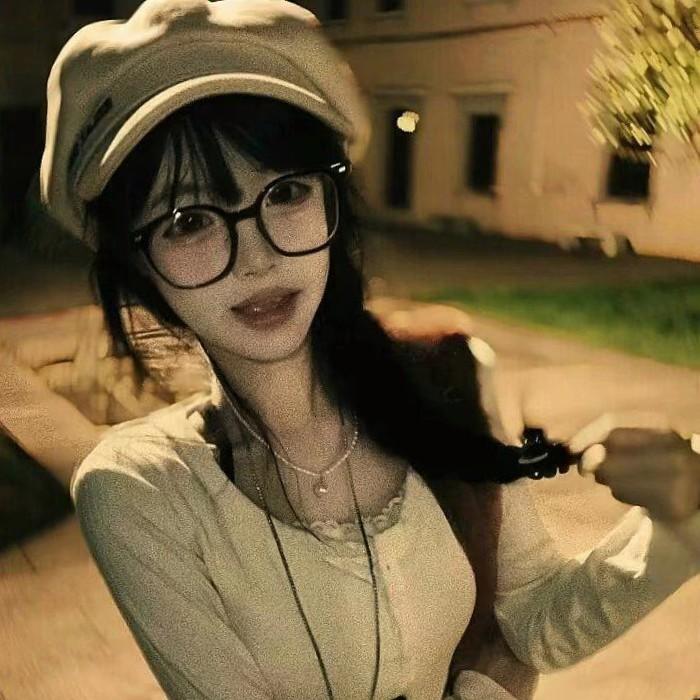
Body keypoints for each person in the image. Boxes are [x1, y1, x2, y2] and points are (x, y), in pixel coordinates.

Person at [38, 1, 700, 699]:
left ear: (332, 203)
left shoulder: (448, 380)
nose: (258, 256)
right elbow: (509, 663)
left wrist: (680, 519)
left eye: (286, 191)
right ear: (138, 266)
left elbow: (534, 619)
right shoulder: (140, 492)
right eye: (188, 218)